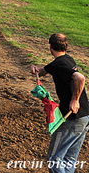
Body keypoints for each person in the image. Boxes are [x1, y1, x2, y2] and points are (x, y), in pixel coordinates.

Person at [30, 33, 89, 173]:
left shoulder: (59, 64)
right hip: (84, 117)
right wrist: (36, 70)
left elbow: (80, 78)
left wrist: (74, 100)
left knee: (54, 158)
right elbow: (45, 70)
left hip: (71, 118)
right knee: (69, 159)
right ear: (66, 46)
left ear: (50, 46)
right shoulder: (66, 60)